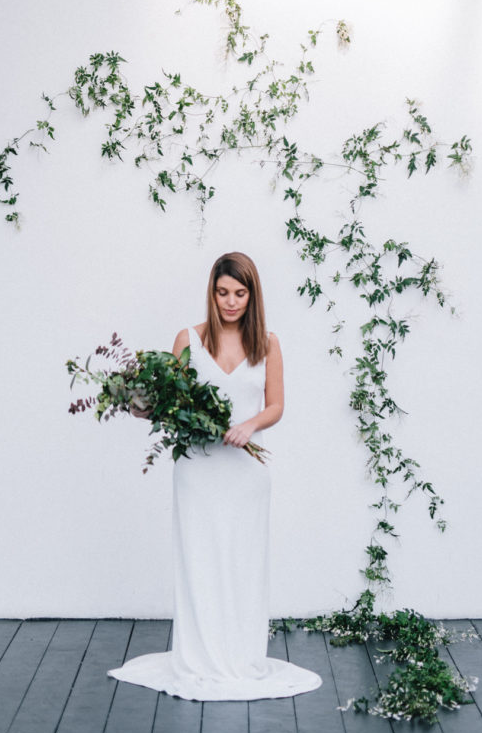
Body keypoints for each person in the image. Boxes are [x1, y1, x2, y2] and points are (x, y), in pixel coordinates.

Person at [108, 251, 322, 701]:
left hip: (244, 475)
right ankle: (200, 657)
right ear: (212, 291)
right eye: (222, 292)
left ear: (252, 295)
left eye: (240, 293)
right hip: (198, 473)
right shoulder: (188, 338)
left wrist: (250, 426)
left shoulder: (268, 343)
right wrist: (138, 404)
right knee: (199, 563)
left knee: (243, 565)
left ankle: (241, 655)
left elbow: (276, 405)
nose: (230, 302)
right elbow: (168, 404)